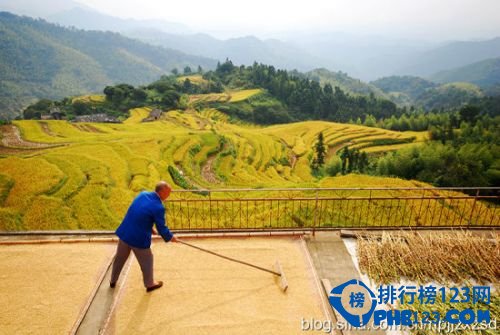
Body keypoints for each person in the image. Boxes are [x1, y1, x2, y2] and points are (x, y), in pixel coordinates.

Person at [110, 181, 177, 292]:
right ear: (161, 192)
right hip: (138, 238)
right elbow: (162, 228)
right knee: (147, 260)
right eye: (168, 193)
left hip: (125, 232)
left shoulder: (143, 194)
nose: (169, 195)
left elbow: (139, 212)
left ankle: (112, 280)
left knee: (119, 259)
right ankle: (150, 284)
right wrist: (170, 237)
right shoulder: (158, 207)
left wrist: (150, 228)